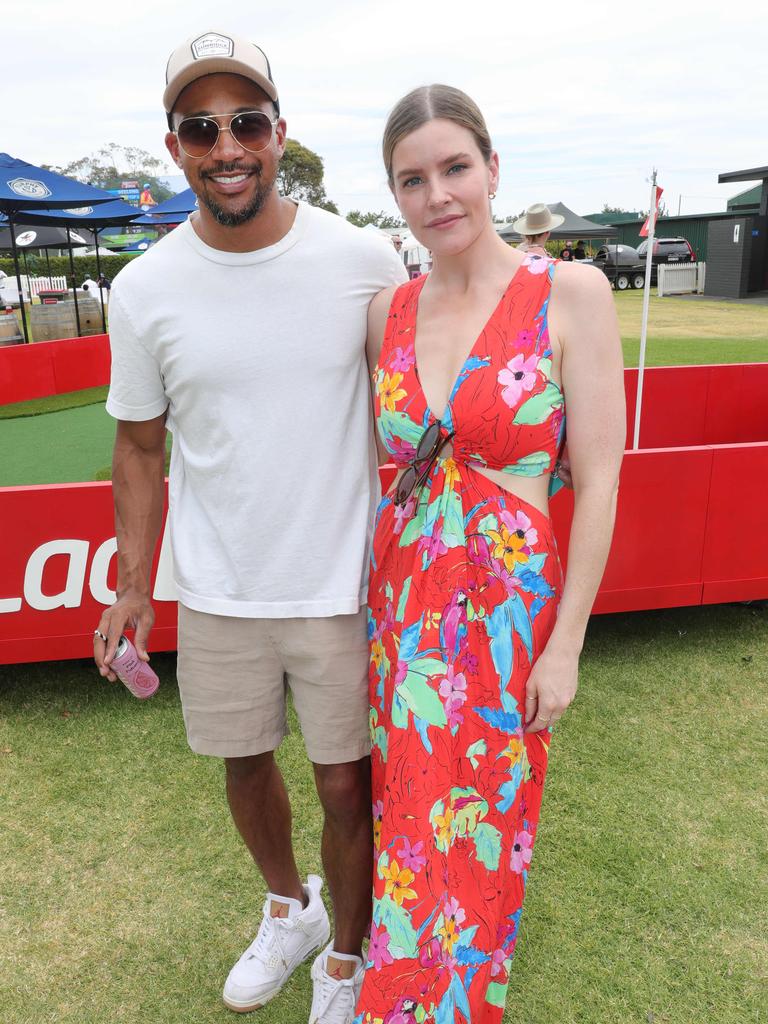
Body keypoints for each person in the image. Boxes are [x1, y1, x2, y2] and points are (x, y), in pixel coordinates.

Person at [93, 30, 406, 1024]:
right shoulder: (142, 290)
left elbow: (420, 398)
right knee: (242, 762)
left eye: (246, 122)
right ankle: (290, 908)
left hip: (342, 584)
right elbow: (140, 447)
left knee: (346, 787)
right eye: (202, 127)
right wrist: (134, 579)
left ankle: (346, 961)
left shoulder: (363, 257)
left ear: (280, 133)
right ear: (176, 145)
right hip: (220, 584)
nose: (227, 146)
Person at [353, 85, 625, 1022]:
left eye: (455, 167)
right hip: (402, 617)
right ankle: (399, 1000)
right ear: (396, 197)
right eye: (413, 179)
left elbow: (599, 480)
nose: (439, 195)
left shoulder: (570, 294)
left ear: (493, 167)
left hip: (507, 620)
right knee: (409, 829)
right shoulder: (385, 312)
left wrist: (566, 646)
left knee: (480, 831)